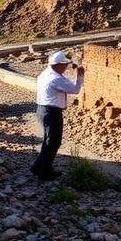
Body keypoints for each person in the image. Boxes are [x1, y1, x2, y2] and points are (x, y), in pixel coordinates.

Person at [30, 50, 84, 181]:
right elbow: (74, 89)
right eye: (64, 64)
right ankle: (44, 173)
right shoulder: (55, 78)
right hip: (51, 112)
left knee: (48, 141)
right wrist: (80, 76)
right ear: (58, 64)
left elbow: (66, 85)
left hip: (44, 109)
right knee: (53, 142)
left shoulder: (47, 73)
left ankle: (38, 167)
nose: (66, 67)